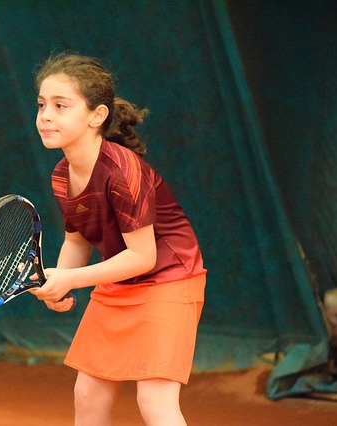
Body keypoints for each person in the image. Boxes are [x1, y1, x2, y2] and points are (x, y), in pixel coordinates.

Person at [28, 52, 206, 426]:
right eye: (42, 104)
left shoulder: (123, 171)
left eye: (61, 106)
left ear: (97, 116)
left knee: (155, 399)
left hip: (169, 277)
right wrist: (58, 286)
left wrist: (71, 279)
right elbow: (77, 241)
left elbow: (142, 256)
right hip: (118, 281)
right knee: (88, 395)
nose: (46, 115)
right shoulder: (62, 175)